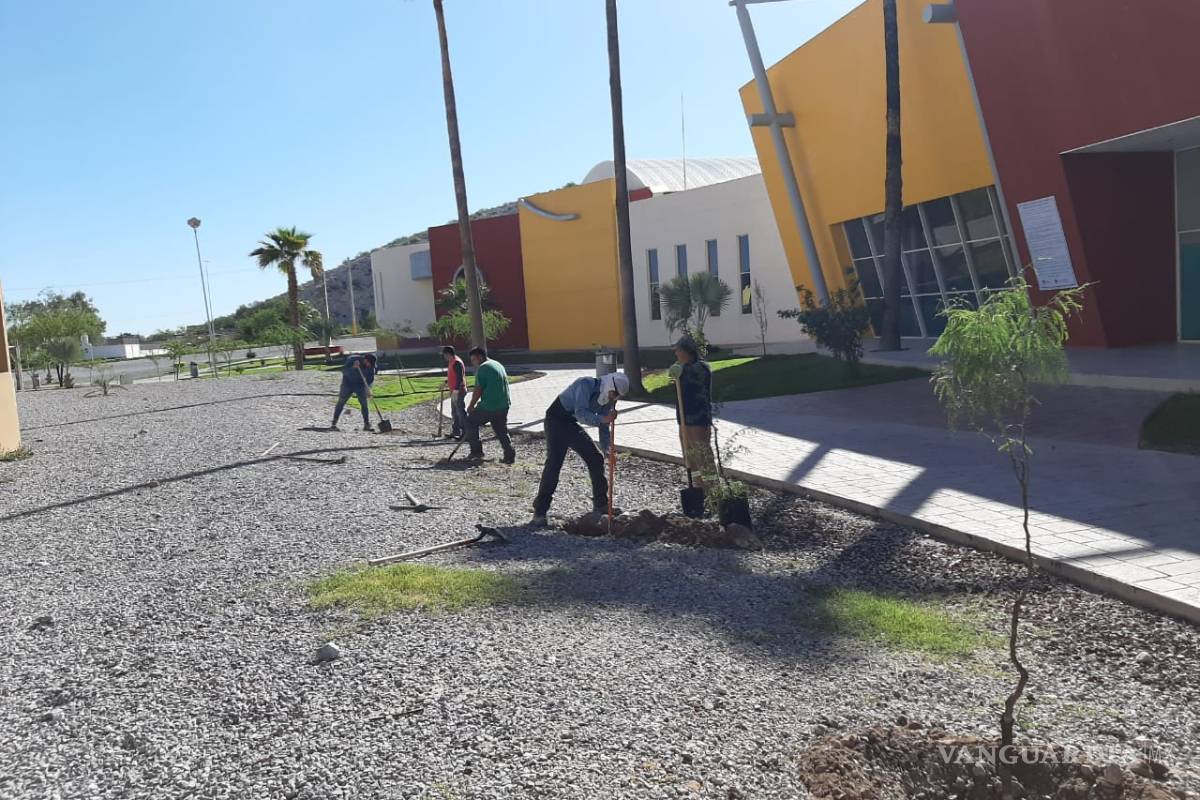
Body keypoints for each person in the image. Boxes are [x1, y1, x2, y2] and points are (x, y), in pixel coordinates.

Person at [531, 372, 629, 526]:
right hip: (555, 420)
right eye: (614, 393)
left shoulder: (608, 398)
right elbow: (581, 414)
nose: (614, 398)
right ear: (610, 384)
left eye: (618, 396)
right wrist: (604, 418)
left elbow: (604, 426)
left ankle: (601, 504)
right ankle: (540, 511)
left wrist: (608, 450)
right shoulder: (585, 384)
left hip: (570, 423)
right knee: (554, 464)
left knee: (596, 459)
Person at [669, 336, 715, 485]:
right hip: (685, 418)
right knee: (689, 455)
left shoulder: (699, 368)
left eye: (678, 350)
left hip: (697, 419)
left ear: (686, 351)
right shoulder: (684, 368)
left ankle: (712, 487)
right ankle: (697, 485)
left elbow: (692, 383)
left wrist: (679, 371)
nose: (676, 354)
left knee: (701, 452)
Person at [464, 348, 515, 464]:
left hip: (489, 406)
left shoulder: (483, 368)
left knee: (470, 422)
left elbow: (478, 390)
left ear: (480, 357)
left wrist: (471, 406)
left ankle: (477, 452)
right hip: (503, 404)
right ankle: (509, 454)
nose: (473, 363)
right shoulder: (497, 364)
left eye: (473, 360)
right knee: (501, 429)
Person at [331, 352, 378, 431]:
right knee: (341, 401)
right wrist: (353, 367)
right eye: (369, 363)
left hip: (360, 385)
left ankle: (366, 424)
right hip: (347, 383)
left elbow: (370, 380)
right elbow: (344, 371)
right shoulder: (353, 359)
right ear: (365, 360)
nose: (370, 366)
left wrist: (368, 389)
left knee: (364, 403)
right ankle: (334, 423)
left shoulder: (371, 368)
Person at [441, 345, 468, 440]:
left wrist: (456, 390)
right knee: (454, 412)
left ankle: (466, 433)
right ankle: (456, 431)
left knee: (460, 412)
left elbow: (460, 378)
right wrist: (446, 382)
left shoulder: (456, 362)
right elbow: (453, 376)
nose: (444, 357)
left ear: (448, 354)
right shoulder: (452, 362)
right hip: (454, 391)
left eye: (444, 354)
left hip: (459, 391)